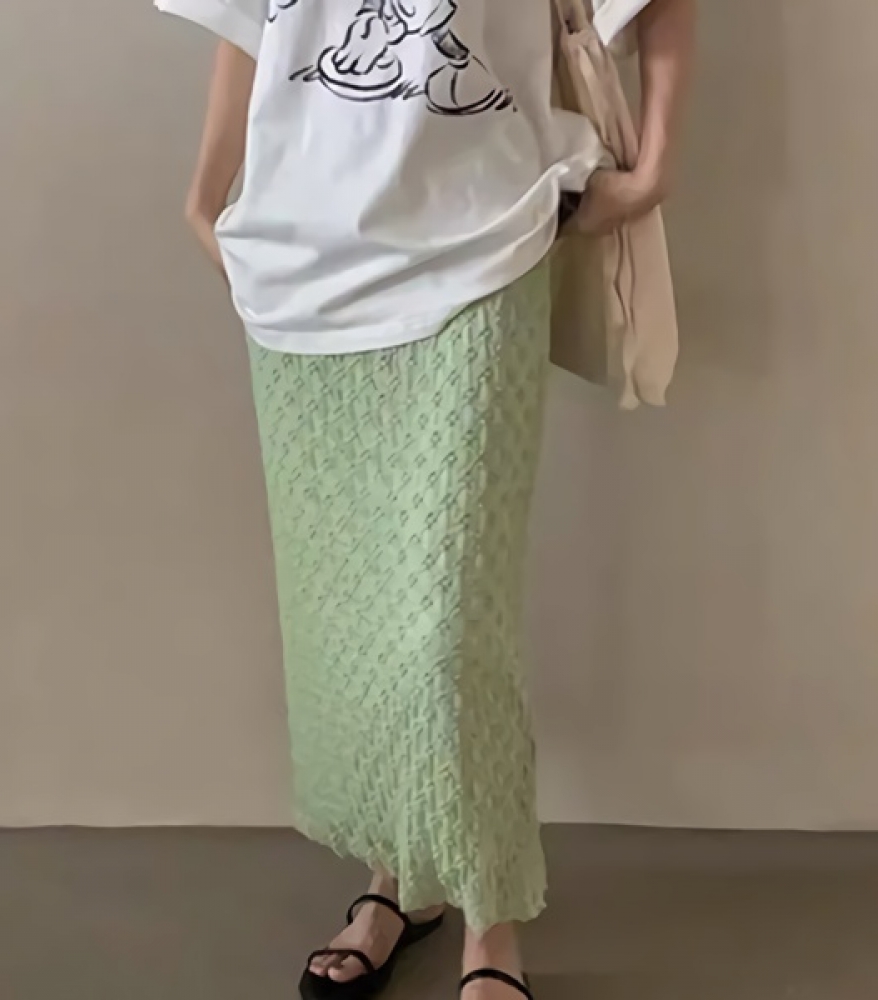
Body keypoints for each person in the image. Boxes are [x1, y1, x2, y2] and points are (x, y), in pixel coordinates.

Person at [156, 0, 695, 997]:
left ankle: (492, 922)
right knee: (351, 621)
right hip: (298, 261)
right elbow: (254, 21)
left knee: (448, 627)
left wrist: (656, 164)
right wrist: (204, 193)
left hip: (482, 243)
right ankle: (398, 880)